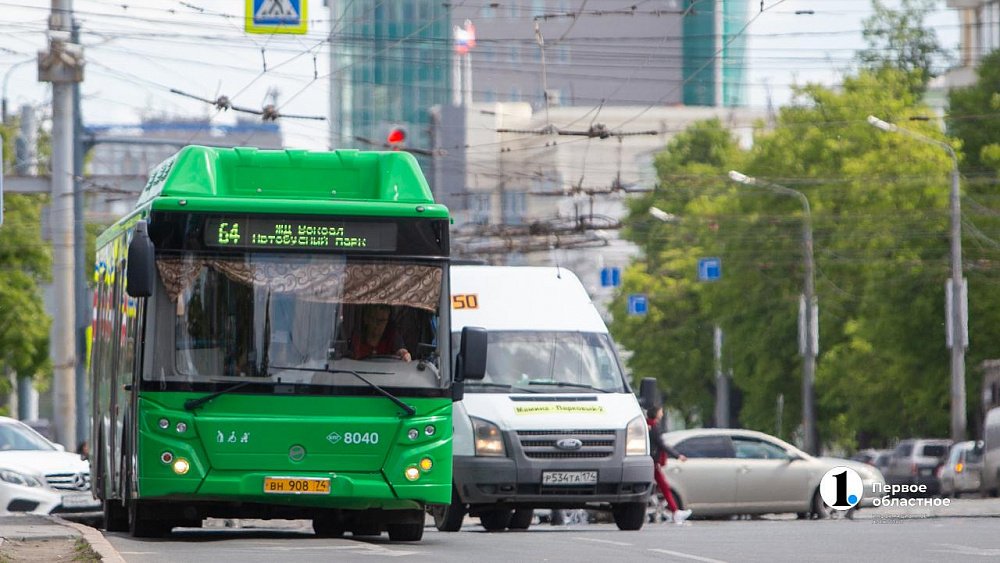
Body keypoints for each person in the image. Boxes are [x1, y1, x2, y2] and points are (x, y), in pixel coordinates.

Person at [647, 406, 692, 524]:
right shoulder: (654, 427)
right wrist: (678, 455)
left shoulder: (646, 425)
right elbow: (662, 445)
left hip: (649, 461)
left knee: (661, 486)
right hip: (652, 461)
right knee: (664, 487)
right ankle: (675, 512)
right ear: (656, 413)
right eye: (660, 411)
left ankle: (675, 511)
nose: (662, 413)